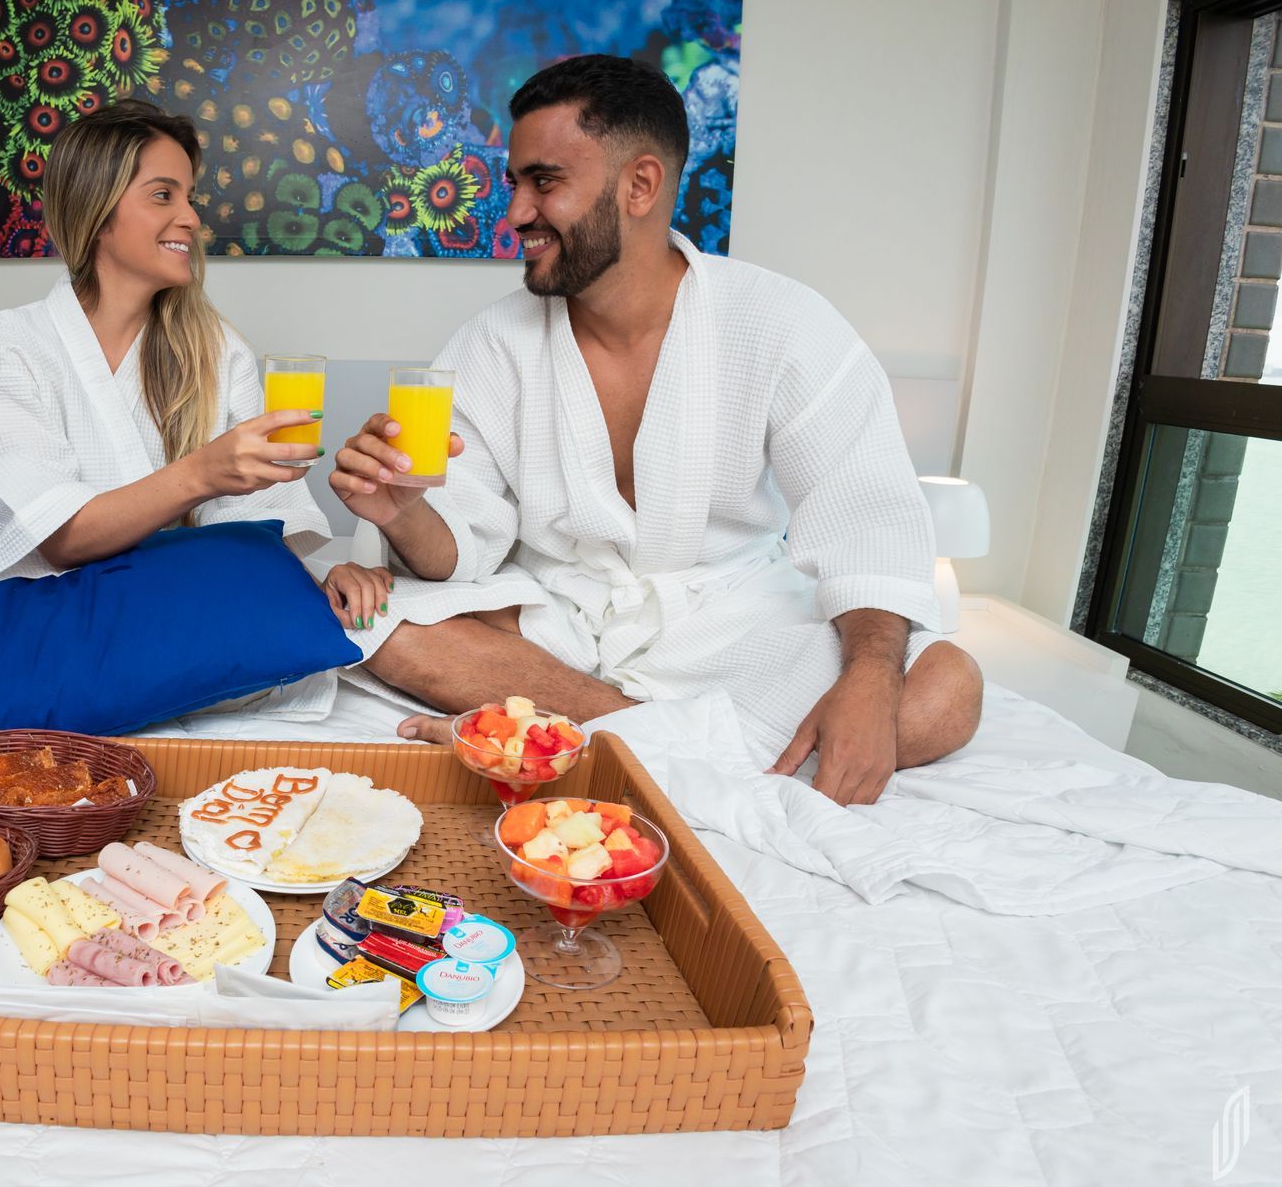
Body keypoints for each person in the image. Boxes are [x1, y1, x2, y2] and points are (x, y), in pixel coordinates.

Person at [331, 55, 983, 806]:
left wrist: (870, 680)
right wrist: (405, 511)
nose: (513, 214)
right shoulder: (492, 342)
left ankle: (581, 737)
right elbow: (464, 542)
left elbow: (863, 520)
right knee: (380, 626)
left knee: (944, 688)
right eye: (514, 183)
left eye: (544, 182)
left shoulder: (782, 323)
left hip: (724, 626)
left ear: (640, 184)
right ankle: (654, 740)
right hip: (561, 622)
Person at [0, 99, 394, 642]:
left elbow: (259, 525)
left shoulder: (218, 350)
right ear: (96, 209)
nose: (193, 218)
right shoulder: (8, 348)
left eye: (190, 197)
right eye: (163, 195)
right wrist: (202, 473)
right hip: (47, 619)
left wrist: (318, 577)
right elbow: (58, 537)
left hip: (173, 609)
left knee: (374, 634)